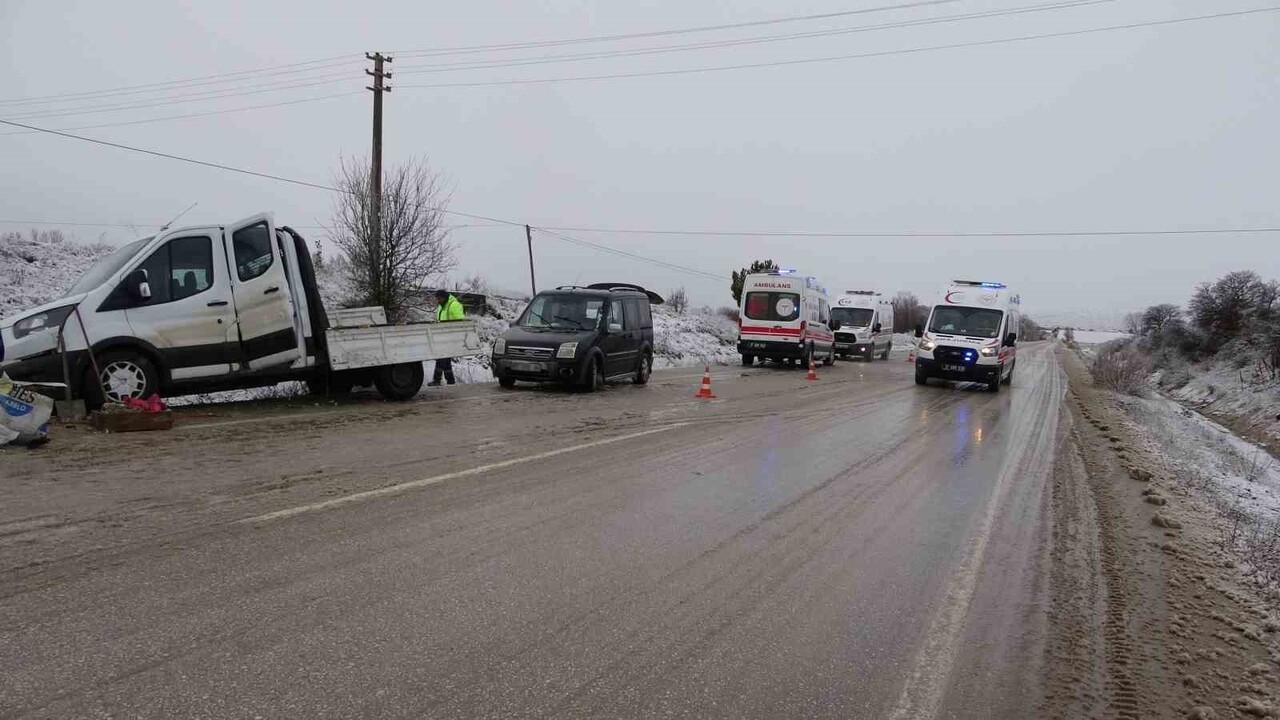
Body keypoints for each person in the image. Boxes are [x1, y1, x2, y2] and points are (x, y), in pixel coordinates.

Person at [428, 289, 466, 386]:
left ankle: (437, 380)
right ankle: (451, 381)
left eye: (439, 298)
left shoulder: (454, 305)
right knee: (446, 360)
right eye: (437, 299)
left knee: (442, 358)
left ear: (444, 297)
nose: (438, 300)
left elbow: (460, 322)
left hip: (451, 337)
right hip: (443, 336)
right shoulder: (441, 306)